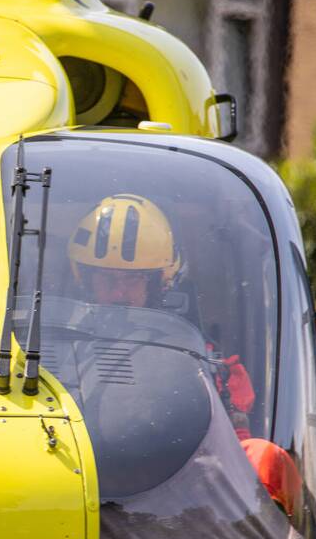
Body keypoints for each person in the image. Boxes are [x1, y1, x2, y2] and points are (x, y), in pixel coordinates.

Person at [67, 193, 301, 517]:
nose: (119, 292)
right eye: (107, 278)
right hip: (72, 486)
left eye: (133, 279)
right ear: (85, 278)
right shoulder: (53, 345)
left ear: (159, 283)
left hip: (182, 501)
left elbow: (233, 450)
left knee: (264, 458)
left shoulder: (206, 359)